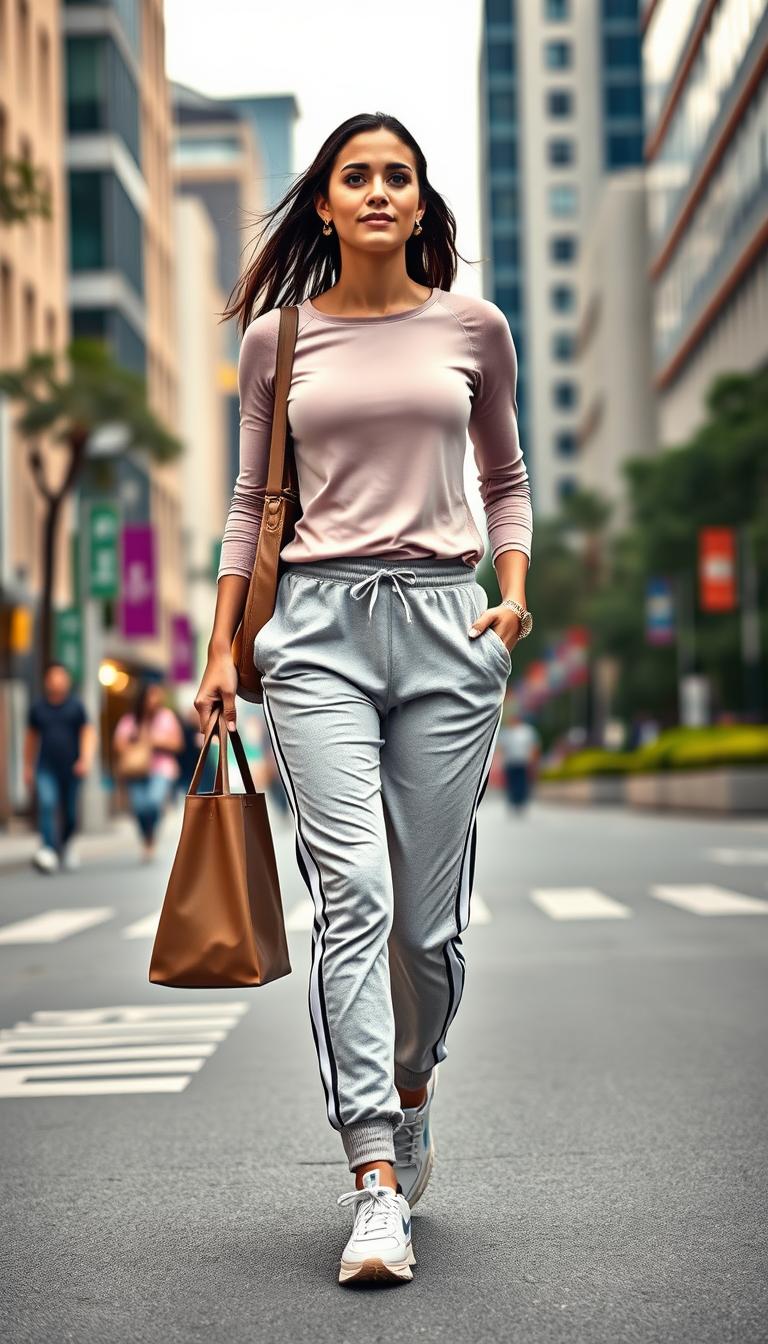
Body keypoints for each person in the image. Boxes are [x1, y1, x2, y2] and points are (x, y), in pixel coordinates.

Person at [195, 113, 534, 1286]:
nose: (379, 190)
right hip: (320, 634)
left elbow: (506, 478)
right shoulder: (280, 342)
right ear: (327, 205)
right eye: (357, 175)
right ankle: (374, 1178)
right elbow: (251, 501)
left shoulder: (475, 329)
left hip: (448, 627)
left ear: (421, 202)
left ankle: (414, 1078)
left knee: (427, 936)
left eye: (399, 174)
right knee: (355, 899)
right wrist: (222, 646)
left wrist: (513, 598)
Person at [23, 660, 95, 873]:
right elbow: (31, 738)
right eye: (53, 677)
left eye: (61, 677)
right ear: (47, 681)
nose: (57, 681)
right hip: (45, 766)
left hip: (72, 768)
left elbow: (87, 733)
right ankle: (48, 850)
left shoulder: (76, 707)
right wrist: (27, 766)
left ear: (67, 680)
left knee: (70, 813)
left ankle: (64, 845)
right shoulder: (38, 708)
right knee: (47, 803)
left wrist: (85, 759)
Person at [112, 682, 183, 862]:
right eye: (151, 695)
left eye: (157, 695)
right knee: (138, 807)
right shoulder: (130, 720)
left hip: (162, 769)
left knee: (153, 802)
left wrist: (156, 742)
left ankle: (151, 837)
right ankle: (147, 837)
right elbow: (118, 744)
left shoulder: (167, 717)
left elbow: (178, 744)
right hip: (135, 770)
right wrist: (136, 742)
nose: (154, 700)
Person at [499, 712, 541, 812]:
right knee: (511, 783)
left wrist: (534, 760)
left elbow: (534, 746)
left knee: (522, 783)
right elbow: (501, 748)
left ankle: (521, 802)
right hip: (510, 762)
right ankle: (513, 801)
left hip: (523, 761)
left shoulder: (527, 731)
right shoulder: (506, 732)